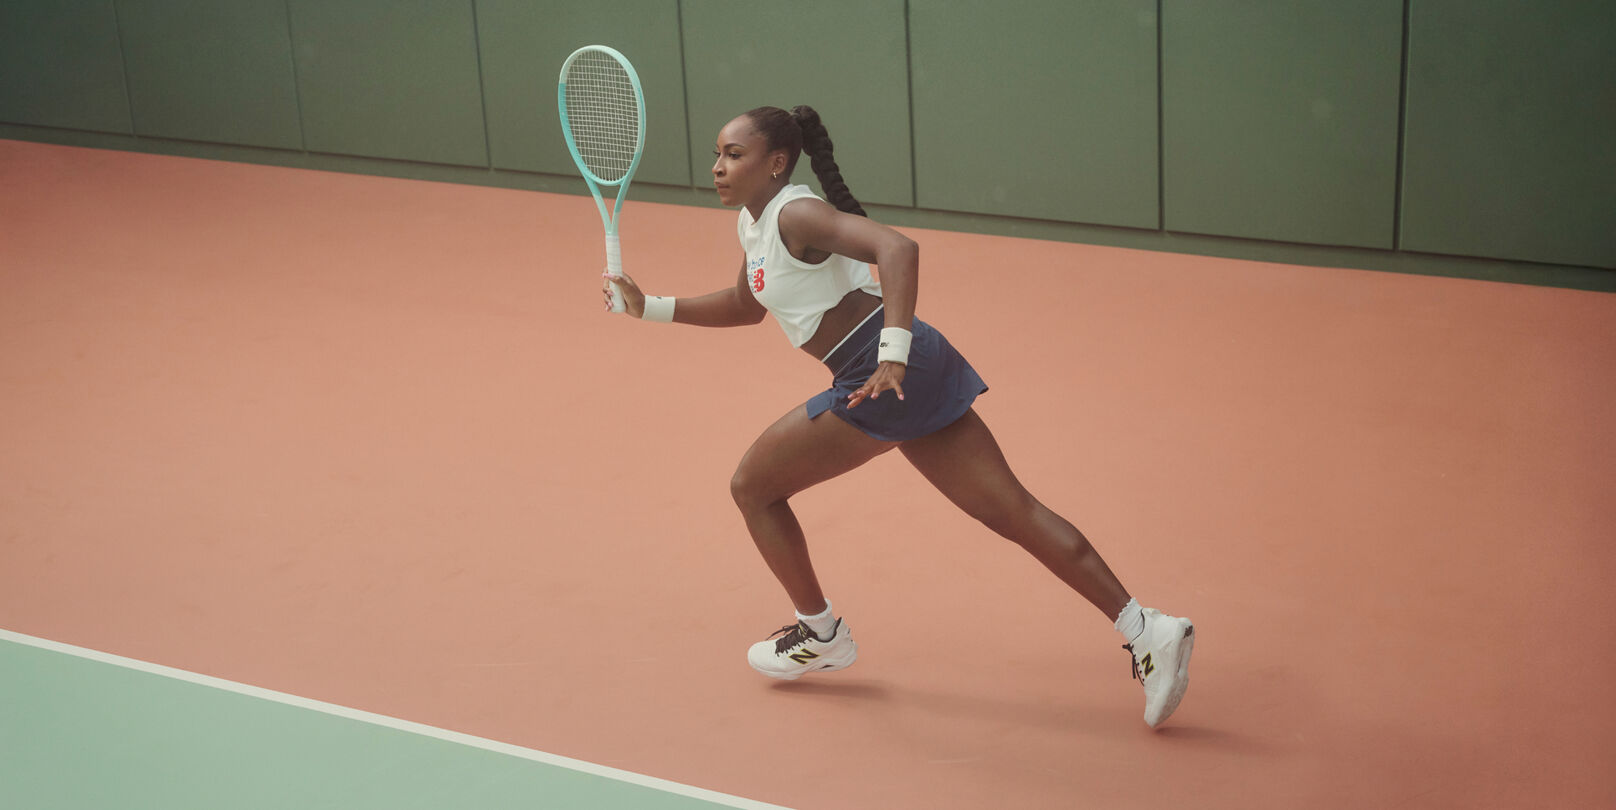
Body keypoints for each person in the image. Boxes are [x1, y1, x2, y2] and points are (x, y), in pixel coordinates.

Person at [602, 105, 1195, 728]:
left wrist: (893, 352)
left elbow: (897, 248)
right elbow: (747, 306)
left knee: (753, 486)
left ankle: (822, 634)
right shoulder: (755, 227)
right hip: (908, 369)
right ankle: (1147, 629)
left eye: (733, 155)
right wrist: (651, 308)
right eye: (719, 155)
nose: (719, 168)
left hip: (881, 372)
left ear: (776, 163)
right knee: (1011, 511)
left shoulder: (796, 213)